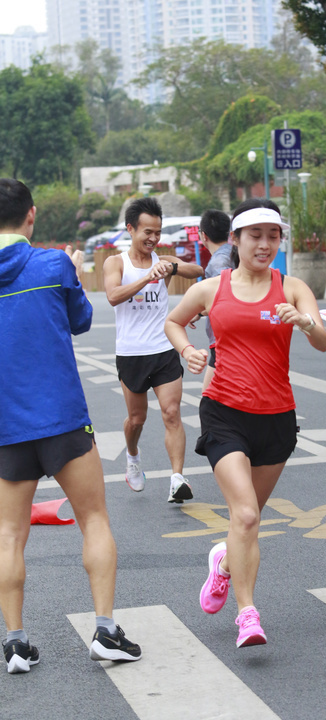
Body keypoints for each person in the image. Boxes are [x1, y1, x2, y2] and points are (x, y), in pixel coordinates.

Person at [164, 198, 326, 648]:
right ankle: (247, 614)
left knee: (244, 524)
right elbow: (174, 322)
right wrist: (188, 351)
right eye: (254, 236)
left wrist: (305, 322)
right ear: (234, 240)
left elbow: (323, 342)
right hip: (225, 412)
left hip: (277, 418)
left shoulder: (290, 287)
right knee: (247, 514)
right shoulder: (211, 289)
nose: (264, 244)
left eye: (272, 236)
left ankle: (222, 561)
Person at [0, 178, 141, 674]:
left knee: (9, 535)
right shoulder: (53, 263)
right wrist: (75, 274)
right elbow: (80, 320)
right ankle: (105, 630)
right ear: (31, 215)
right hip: (62, 419)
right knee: (95, 520)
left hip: (5, 428)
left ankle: (15, 643)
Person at [103, 197, 204, 502]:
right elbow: (113, 295)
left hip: (163, 349)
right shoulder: (116, 262)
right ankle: (133, 457)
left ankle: (177, 478)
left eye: (157, 232)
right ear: (130, 228)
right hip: (131, 353)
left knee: (172, 413)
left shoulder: (164, 260)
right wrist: (148, 277)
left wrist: (172, 265)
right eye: (147, 231)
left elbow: (196, 269)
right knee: (137, 419)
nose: (153, 238)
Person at [189, 209, 235, 390]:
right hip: (228, 337)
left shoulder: (219, 262)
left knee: (210, 399)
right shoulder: (235, 253)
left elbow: (224, 298)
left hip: (223, 338)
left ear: (203, 235)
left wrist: (198, 312)